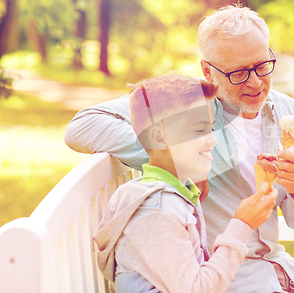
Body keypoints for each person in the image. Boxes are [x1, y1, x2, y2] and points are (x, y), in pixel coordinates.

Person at [65, 5, 294, 292]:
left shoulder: (288, 110)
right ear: (208, 71)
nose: (255, 82)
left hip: (278, 267)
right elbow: (82, 125)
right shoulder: (188, 104)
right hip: (225, 276)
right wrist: (178, 157)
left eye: (262, 66)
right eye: (238, 73)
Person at [95, 74, 278, 292]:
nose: (213, 139)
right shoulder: (156, 212)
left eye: (211, 128)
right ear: (159, 138)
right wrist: (243, 224)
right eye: (200, 130)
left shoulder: (177, 195)